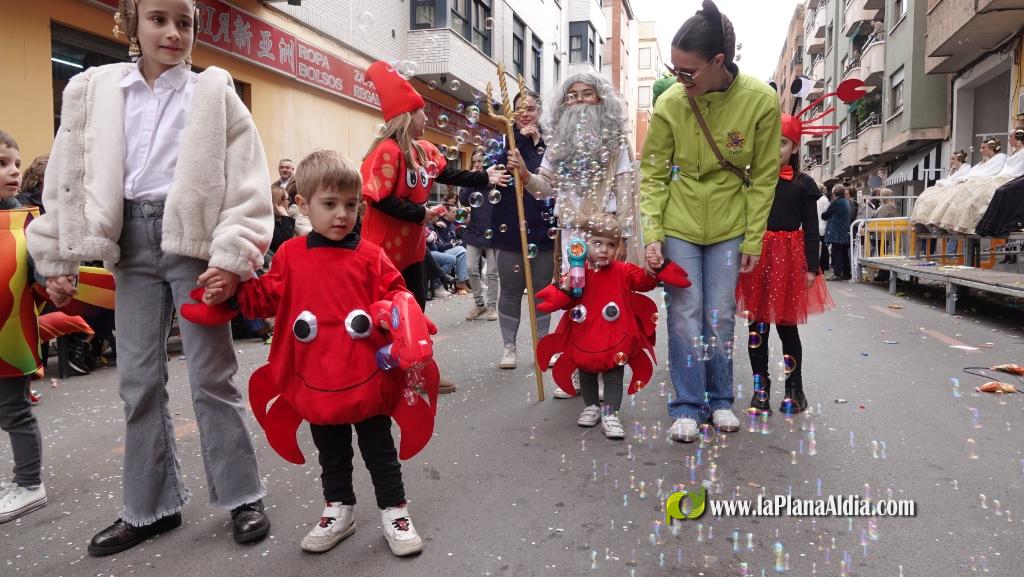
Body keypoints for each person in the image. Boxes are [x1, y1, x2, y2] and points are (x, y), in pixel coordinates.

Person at [27, 0, 272, 555]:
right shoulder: (94, 90)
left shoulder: (215, 92)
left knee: (213, 376)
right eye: (159, 18)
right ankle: (149, 507)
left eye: (184, 22)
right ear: (131, 21)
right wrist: (59, 257)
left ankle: (241, 496)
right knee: (137, 382)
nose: (173, 32)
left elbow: (248, 182)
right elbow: (69, 174)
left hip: (195, 245)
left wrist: (232, 256)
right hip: (128, 245)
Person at [194, 149, 433, 557]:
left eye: (350, 205)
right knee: (331, 452)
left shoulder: (372, 256)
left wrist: (391, 311)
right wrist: (231, 292)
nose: (342, 214)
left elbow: (398, 295)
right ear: (302, 204)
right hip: (317, 380)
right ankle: (338, 508)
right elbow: (266, 297)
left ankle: (394, 510)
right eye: (329, 204)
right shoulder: (290, 255)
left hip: (367, 377)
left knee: (380, 450)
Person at [639, 0, 781, 442]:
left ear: (719, 61)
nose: (680, 80)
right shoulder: (670, 102)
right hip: (679, 221)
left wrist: (753, 240)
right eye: (674, 69)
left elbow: (764, 178)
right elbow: (653, 173)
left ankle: (719, 401)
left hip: (729, 225)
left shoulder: (761, 100)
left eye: (688, 72)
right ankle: (686, 405)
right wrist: (653, 234)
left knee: (719, 317)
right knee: (684, 313)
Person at [359, 60, 508, 394]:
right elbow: (379, 198)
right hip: (382, 255)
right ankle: (382, 376)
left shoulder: (421, 150)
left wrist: (486, 178)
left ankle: (419, 373)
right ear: (407, 116)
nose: (427, 118)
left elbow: (449, 174)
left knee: (416, 312)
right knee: (385, 316)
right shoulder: (386, 152)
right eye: (422, 111)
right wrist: (421, 214)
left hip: (412, 252)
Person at [536, 214, 691, 439]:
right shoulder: (577, 274)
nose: (604, 250)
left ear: (618, 247)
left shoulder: (624, 271)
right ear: (583, 244)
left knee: (613, 375)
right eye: (597, 243)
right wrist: (568, 286)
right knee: (586, 372)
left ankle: (610, 413)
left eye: (610, 244)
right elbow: (557, 302)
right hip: (585, 336)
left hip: (614, 337)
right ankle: (591, 407)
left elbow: (646, 283)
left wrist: (655, 267)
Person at [737, 114, 833, 415]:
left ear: (794, 147)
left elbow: (812, 228)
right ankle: (760, 389)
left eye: (781, 143)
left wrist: (811, 267)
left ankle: (795, 390)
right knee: (758, 327)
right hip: (757, 257)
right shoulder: (751, 180)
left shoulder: (804, 184)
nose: (773, 149)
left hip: (790, 261)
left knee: (788, 329)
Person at [509, 73, 636, 268]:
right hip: (570, 234)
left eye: (587, 94)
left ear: (601, 99)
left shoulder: (616, 143)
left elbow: (625, 193)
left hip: (606, 236)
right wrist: (525, 174)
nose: (579, 99)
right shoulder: (558, 143)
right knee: (574, 291)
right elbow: (544, 189)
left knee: (603, 293)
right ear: (564, 103)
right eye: (572, 95)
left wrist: (622, 239)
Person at [484, 90, 556, 370]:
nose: (525, 113)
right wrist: (520, 143)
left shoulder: (551, 145)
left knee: (542, 291)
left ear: (540, 112)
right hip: (509, 228)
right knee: (511, 290)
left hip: (542, 228)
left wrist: (535, 145)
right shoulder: (501, 142)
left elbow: (548, 183)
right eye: (519, 109)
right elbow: (493, 174)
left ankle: (543, 347)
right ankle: (509, 346)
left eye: (531, 108)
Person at [0, 131, 47, 523]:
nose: (14, 171)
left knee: (14, 411)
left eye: (16, 163)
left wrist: (56, 281)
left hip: (9, 338)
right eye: (2, 164)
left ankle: (30, 483)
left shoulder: (22, 221)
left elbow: (41, 269)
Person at [935, 129, 1024, 233]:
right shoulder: (1013, 153)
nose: (1008, 139)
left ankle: (976, 225)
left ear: (1018, 138)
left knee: (986, 193)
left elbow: (1017, 169)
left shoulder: (1009, 155)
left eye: (1011, 136)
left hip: (1012, 179)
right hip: (1001, 178)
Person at [911, 138, 1007, 231]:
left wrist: (964, 179)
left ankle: (943, 223)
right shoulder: (981, 162)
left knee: (954, 197)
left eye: (983, 147)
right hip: (967, 181)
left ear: (991, 148)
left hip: (980, 183)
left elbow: (988, 172)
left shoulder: (1000, 157)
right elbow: (971, 173)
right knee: (930, 192)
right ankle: (926, 221)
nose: (980, 150)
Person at [459, 152, 499, 321]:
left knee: (491, 272)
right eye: (474, 161)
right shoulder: (473, 180)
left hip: (494, 232)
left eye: (480, 161)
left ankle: (492, 307)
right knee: (470, 268)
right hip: (475, 230)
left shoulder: (495, 181)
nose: (477, 164)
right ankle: (479, 305)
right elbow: (463, 199)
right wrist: (473, 179)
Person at [428, 193, 470, 294]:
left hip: (441, 250)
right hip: (437, 251)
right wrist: (452, 244)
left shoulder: (451, 225)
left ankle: (462, 282)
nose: (456, 214)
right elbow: (439, 246)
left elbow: (454, 239)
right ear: (446, 213)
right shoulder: (440, 225)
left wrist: (456, 243)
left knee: (465, 251)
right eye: (454, 212)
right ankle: (440, 284)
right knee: (459, 253)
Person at [822, 184, 852, 280]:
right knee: (843, 252)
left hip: (837, 231)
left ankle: (837, 274)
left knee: (836, 252)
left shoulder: (837, 203)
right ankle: (846, 273)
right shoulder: (846, 201)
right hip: (844, 230)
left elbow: (825, 215)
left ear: (834, 193)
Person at [815, 184, 831, 273]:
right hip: (821, 225)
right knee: (822, 247)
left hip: (820, 226)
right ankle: (822, 266)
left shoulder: (822, 199)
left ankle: (822, 266)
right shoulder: (823, 199)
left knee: (822, 248)